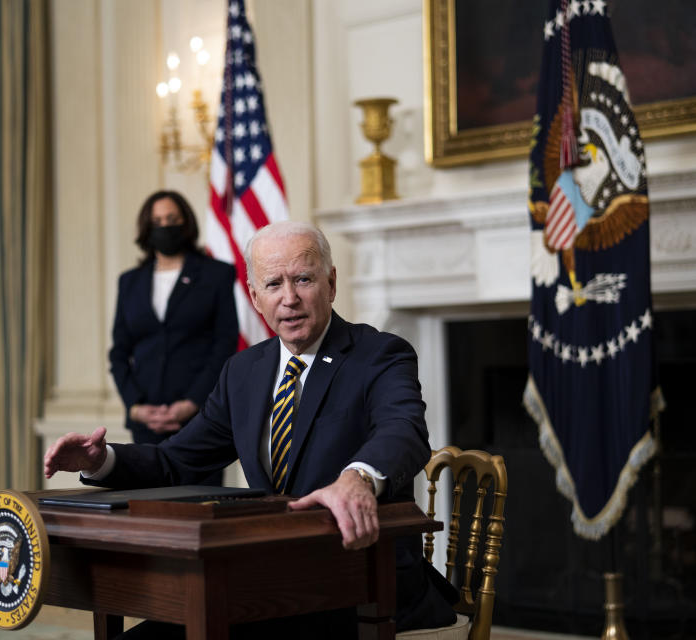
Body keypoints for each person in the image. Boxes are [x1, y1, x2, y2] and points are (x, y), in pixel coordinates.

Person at [45, 221, 457, 638]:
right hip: (271, 580)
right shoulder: (243, 371)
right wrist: (102, 460)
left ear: (331, 283)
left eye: (303, 279)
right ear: (255, 296)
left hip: (368, 581)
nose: (290, 298)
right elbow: (176, 461)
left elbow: (403, 430)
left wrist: (359, 477)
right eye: (274, 284)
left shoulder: (379, 354)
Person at [108, 191, 238, 483]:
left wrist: (192, 403)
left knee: (199, 512)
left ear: (186, 223)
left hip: (200, 419)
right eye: (157, 221)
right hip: (146, 424)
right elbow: (119, 353)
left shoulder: (216, 274)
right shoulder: (130, 282)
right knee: (145, 513)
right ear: (146, 228)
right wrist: (136, 406)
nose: (165, 226)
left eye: (172, 219)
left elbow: (224, 346)